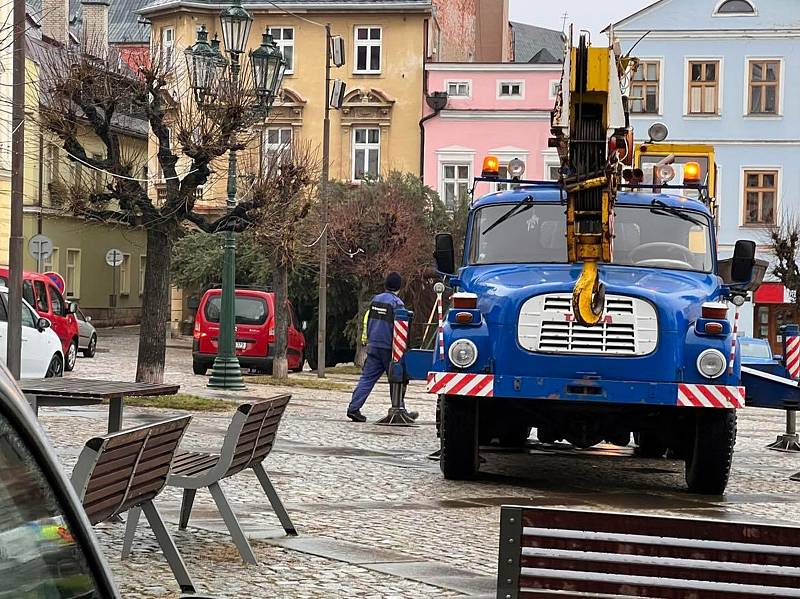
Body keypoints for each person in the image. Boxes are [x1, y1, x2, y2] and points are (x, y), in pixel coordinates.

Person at [347, 272, 418, 422]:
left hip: (373, 346)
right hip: (389, 348)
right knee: (396, 378)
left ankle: (353, 408)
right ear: (399, 286)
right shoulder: (397, 303)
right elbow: (399, 328)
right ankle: (400, 410)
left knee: (367, 378)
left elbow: (369, 321)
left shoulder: (375, 300)